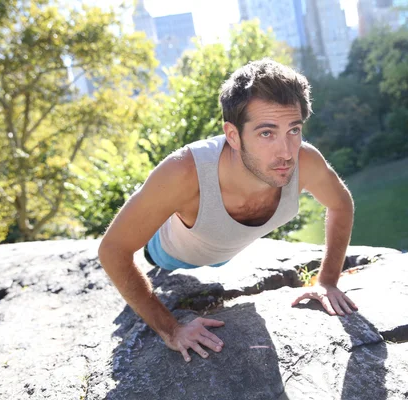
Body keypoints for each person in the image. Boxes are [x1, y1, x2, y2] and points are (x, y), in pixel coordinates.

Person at [98, 58, 357, 363]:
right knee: (152, 221)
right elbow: (112, 250)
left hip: (226, 254)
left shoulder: (305, 160)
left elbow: (341, 204)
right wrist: (171, 330)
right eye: (266, 133)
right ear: (233, 135)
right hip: (167, 254)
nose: (286, 152)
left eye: (294, 130)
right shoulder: (185, 171)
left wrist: (327, 281)